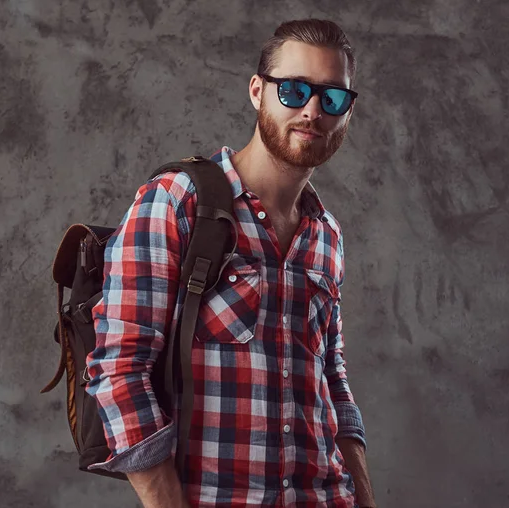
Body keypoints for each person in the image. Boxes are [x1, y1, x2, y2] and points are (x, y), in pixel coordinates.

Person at [85, 18, 377, 508]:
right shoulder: (178, 203)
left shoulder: (326, 234)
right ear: (258, 91)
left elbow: (333, 379)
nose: (312, 111)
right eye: (294, 90)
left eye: (331, 99)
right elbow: (119, 372)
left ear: (347, 111)